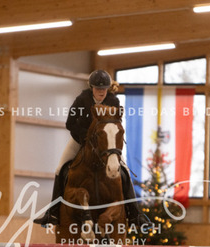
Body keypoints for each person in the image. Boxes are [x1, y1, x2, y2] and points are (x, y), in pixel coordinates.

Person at [35, 69, 149, 227]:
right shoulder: (82, 99)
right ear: (92, 88)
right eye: (98, 88)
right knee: (60, 169)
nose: (101, 92)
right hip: (81, 140)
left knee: (125, 171)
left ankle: (135, 214)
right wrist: (86, 137)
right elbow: (70, 123)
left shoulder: (113, 101)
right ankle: (53, 212)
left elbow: (115, 124)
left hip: (106, 144)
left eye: (104, 89)